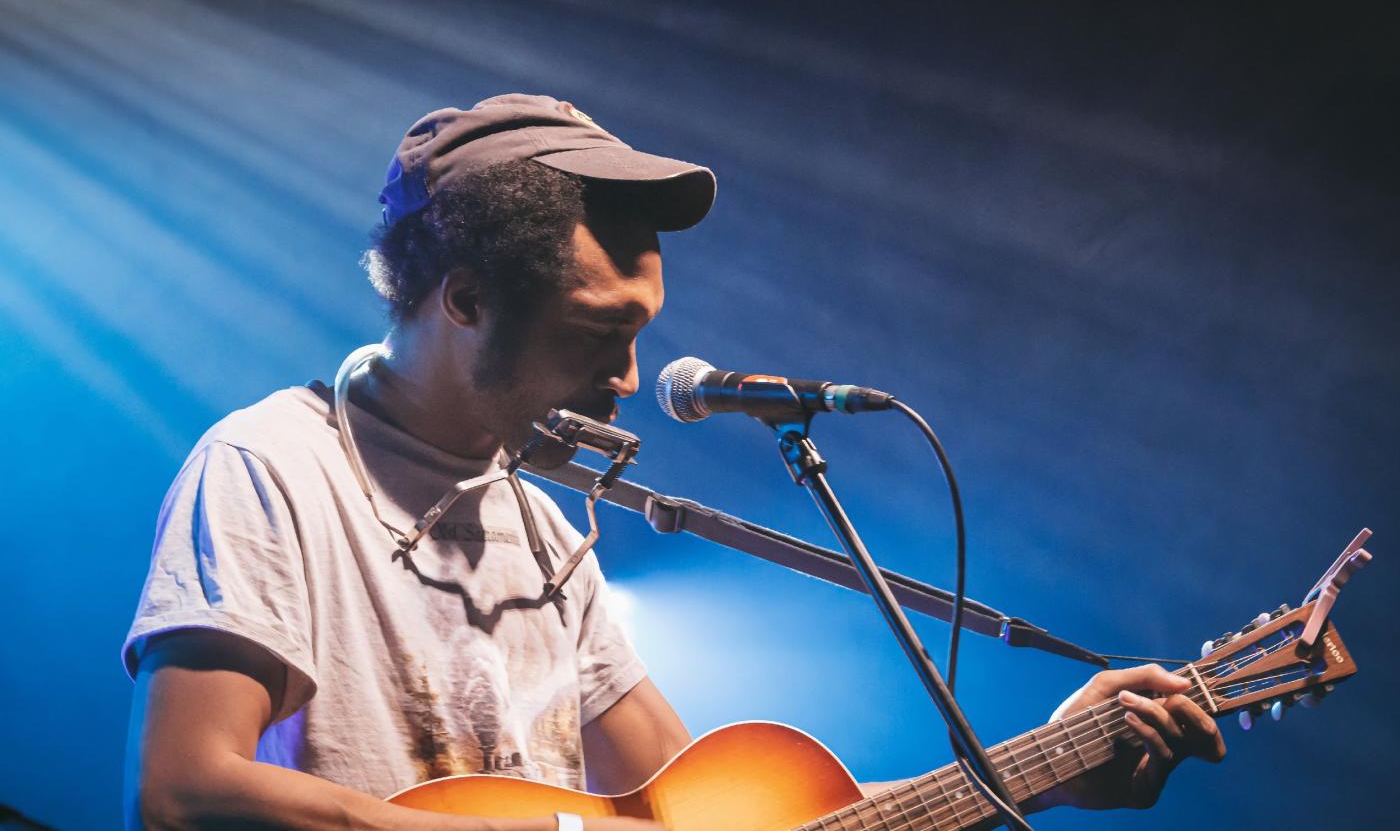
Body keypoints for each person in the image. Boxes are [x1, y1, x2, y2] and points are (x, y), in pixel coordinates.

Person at [122, 94, 1225, 831]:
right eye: (598, 332)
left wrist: (1039, 767)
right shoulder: (271, 466)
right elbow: (182, 789)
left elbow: (699, 820)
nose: (629, 375)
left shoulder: (547, 533)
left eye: (640, 330)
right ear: (463, 299)